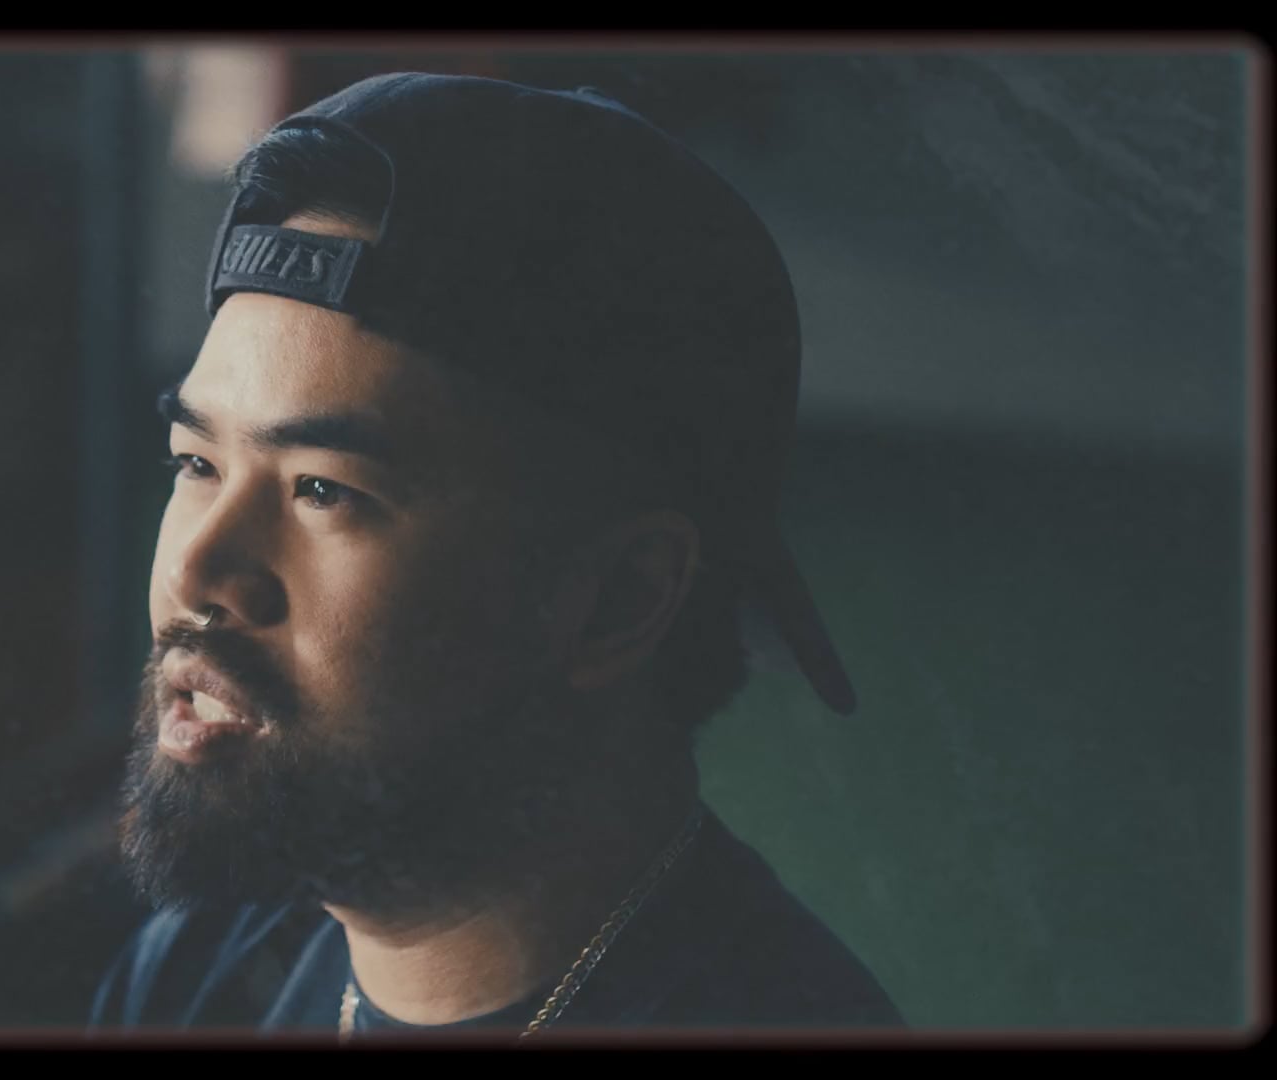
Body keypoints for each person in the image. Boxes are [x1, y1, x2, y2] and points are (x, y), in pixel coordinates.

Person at [89, 72, 904, 1043]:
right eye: (197, 463)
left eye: (323, 490)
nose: (199, 570)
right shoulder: (200, 975)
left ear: (617, 600)